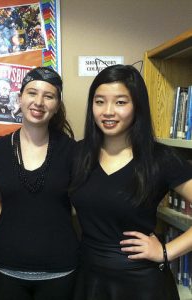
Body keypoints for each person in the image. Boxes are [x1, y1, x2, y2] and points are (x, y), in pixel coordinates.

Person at [70, 64, 192, 300]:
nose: (108, 111)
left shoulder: (161, 158)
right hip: (89, 278)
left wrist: (166, 251)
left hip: (141, 283)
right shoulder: (78, 154)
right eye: (99, 101)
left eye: (120, 102)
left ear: (137, 106)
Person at [0, 66, 79, 300]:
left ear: (57, 105)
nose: (39, 102)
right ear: (20, 98)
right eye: (32, 93)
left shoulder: (73, 151)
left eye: (48, 96)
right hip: (7, 269)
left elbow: (87, 205)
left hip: (60, 271)